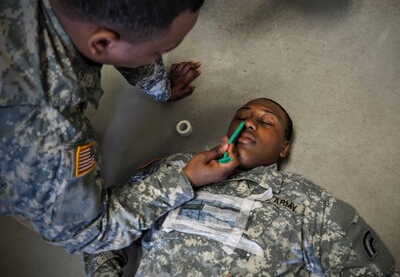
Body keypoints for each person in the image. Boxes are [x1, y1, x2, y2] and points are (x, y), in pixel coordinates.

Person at [0, 0, 239, 257]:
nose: (162, 55)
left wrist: (159, 86)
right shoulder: (49, 131)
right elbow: (89, 231)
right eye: (157, 50)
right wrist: (183, 180)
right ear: (102, 43)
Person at [85, 98, 397, 276]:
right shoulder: (176, 167)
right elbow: (101, 223)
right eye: (242, 117)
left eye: (266, 121)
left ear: (283, 148)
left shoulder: (310, 202)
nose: (249, 123)